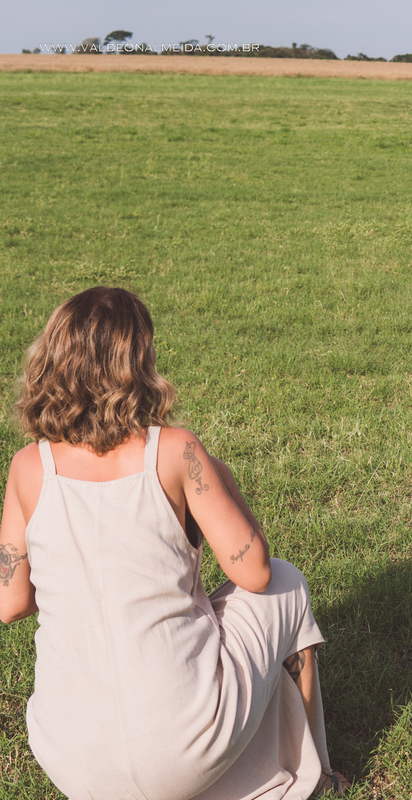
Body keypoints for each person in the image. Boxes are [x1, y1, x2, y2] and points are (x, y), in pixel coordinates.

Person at [0, 287, 347, 800]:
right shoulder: (174, 452)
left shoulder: (30, 467)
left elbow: (10, 603)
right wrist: (224, 479)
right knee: (288, 586)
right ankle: (320, 779)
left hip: (73, 759)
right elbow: (255, 572)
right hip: (182, 744)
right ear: (137, 363)